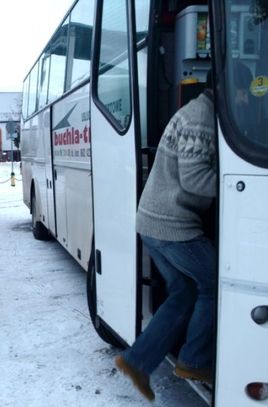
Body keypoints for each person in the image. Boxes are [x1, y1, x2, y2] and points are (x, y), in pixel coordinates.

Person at [115, 72, 217, 401]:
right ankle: (194, 360)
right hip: (173, 226)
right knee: (216, 284)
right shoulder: (202, 119)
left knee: (184, 291)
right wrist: (236, 183)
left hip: (155, 222)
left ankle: (137, 361)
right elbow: (195, 179)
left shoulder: (195, 112)